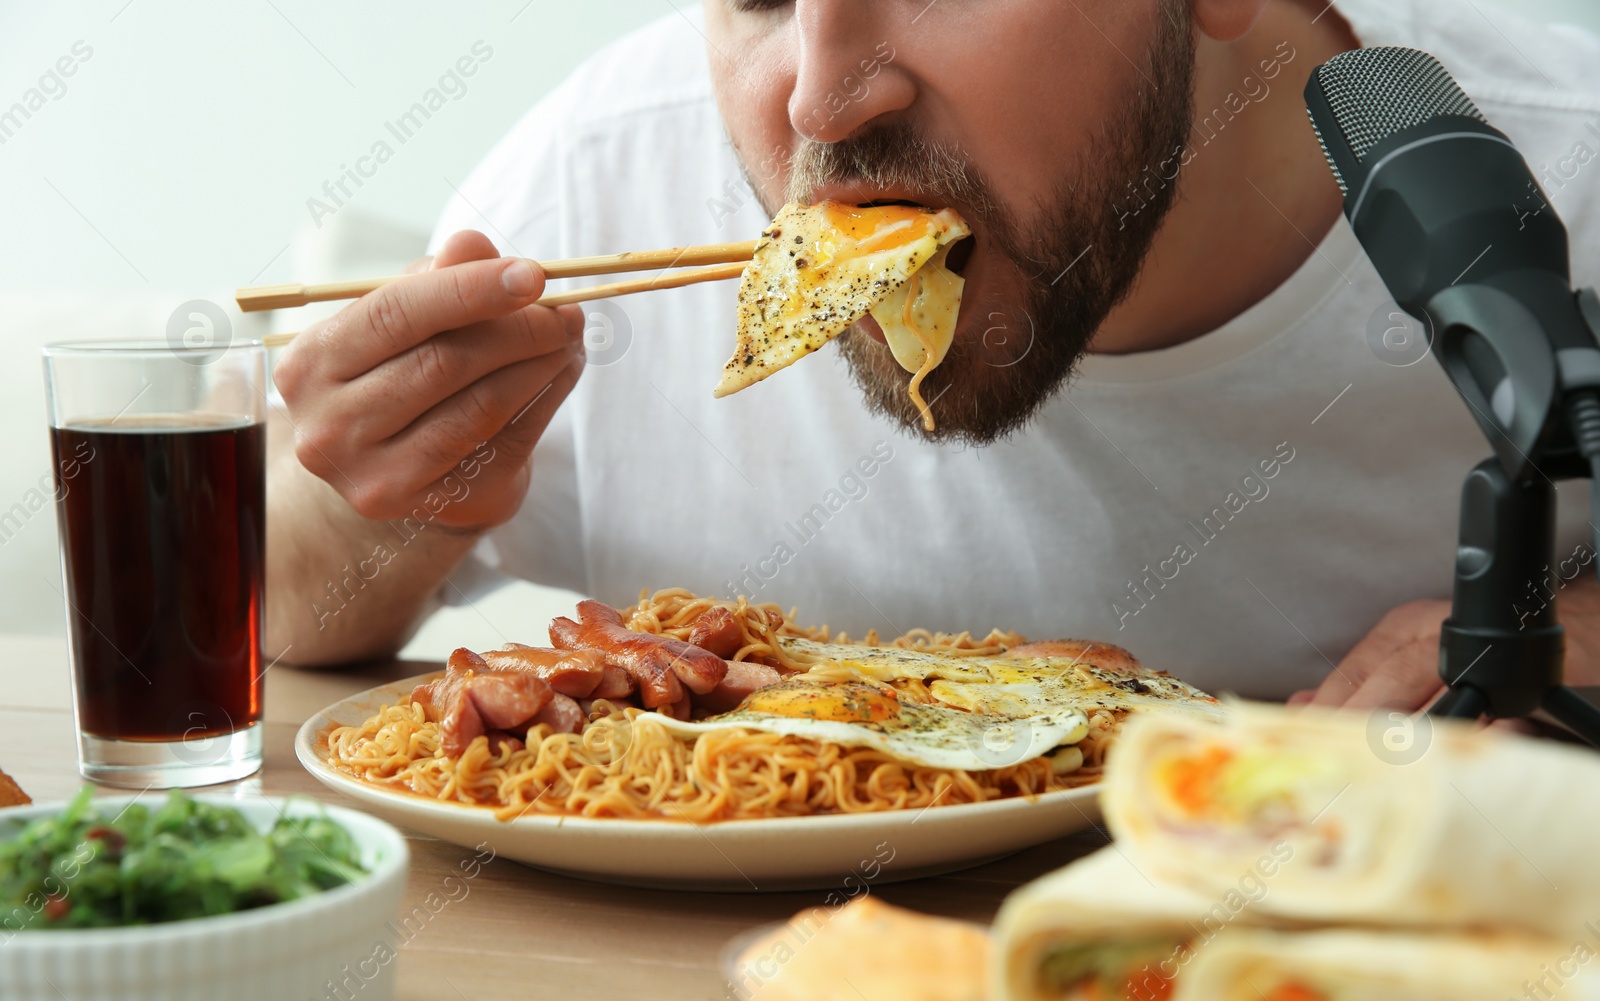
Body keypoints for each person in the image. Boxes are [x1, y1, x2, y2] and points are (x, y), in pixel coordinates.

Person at [267, 0, 1600, 707]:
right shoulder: (593, 194)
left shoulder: (1557, 182)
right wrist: (392, 497)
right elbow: (268, 612)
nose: (825, 97)